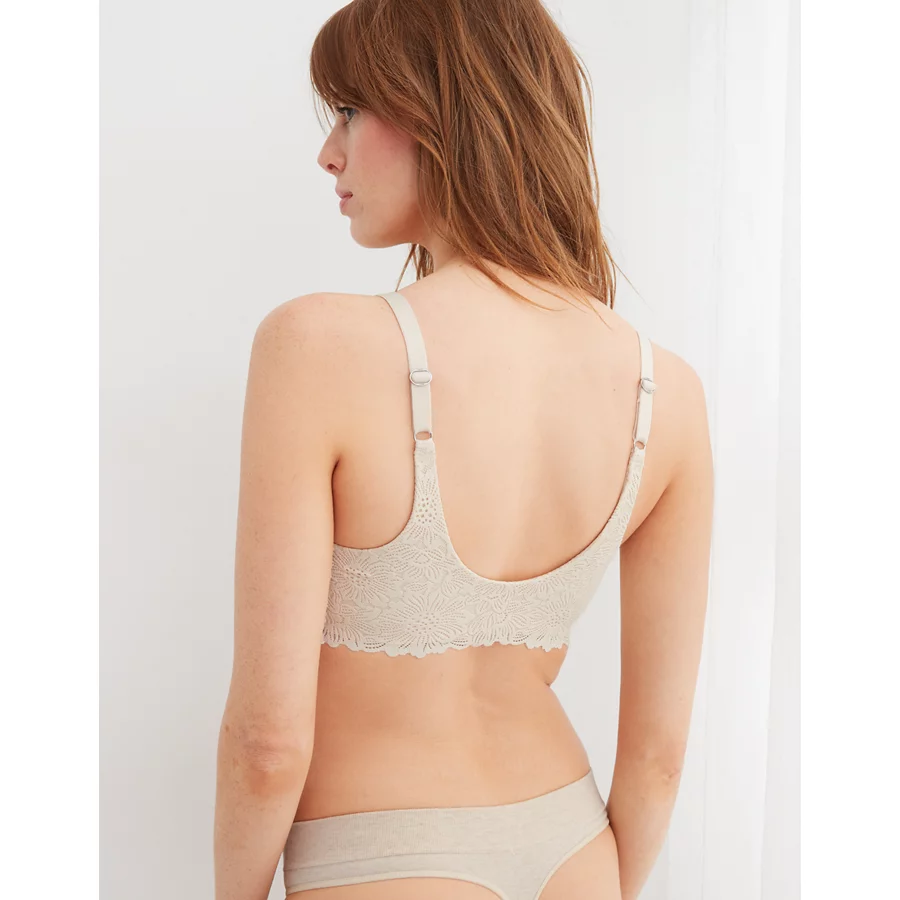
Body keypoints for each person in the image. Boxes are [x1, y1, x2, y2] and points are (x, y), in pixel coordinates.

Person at [213, 2, 714, 899]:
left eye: (350, 111)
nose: (329, 152)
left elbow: (267, 744)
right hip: (575, 849)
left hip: (382, 860)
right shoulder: (666, 392)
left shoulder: (317, 347)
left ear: (435, 111)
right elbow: (658, 756)